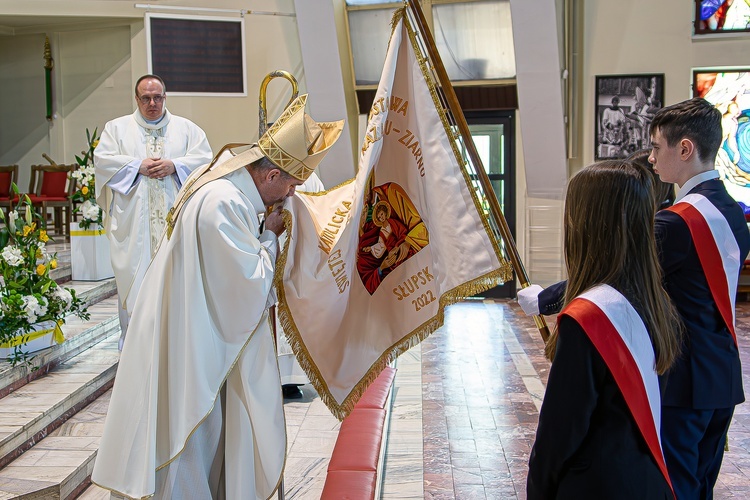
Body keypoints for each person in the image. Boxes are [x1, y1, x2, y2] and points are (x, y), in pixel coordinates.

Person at [91, 93, 344, 499]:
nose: (290, 196)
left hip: (198, 336)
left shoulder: (229, 192)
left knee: (205, 441)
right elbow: (248, 286)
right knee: (190, 441)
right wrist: (271, 237)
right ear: (271, 175)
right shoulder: (222, 205)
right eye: (291, 185)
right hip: (191, 350)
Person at [521, 98, 750, 499]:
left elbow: (614, 271)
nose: (651, 156)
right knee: (700, 486)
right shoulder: (730, 209)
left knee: (674, 485)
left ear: (685, 149)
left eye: (657, 147)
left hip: (685, 379)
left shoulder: (679, 223)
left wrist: (545, 299)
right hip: (723, 374)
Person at [527, 160, 681, 499]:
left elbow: (558, 437)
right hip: (648, 480)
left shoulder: (589, 318)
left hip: (596, 486)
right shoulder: (659, 306)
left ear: (586, 225)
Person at [94, 74, 213, 349]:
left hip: (177, 226)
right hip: (135, 226)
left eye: (157, 97)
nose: (152, 103)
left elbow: (206, 161)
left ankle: (178, 346)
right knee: (137, 285)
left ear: (165, 97)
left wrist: (175, 166)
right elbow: (102, 161)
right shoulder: (117, 129)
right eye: (146, 98)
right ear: (136, 99)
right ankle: (136, 348)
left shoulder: (187, 129)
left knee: (178, 283)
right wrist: (136, 166)